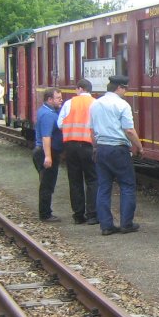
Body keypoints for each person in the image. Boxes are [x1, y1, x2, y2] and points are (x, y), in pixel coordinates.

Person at [90, 75, 143, 236]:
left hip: (101, 148)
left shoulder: (96, 104)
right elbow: (129, 130)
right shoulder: (122, 105)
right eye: (125, 88)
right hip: (118, 149)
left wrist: (95, 147)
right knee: (127, 185)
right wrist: (139, 147)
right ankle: (126, 223)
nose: (126, 91)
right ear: (119, 87)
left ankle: (106, 226)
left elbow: (91, 131)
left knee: (103, 187)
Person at [58, 78, 98, 225]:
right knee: (92, 180)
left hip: (71, 146)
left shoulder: (69, 103)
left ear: (79, 89)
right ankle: (93, 215)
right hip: (88, 146)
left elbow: (60, 123)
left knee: (75, 180)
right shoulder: (95, 103)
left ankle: (78, 215)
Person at [32, 88, 64, 222]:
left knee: (47, 183)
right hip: (46, 151)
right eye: (58, 98)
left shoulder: (46, 111)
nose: (61, 100)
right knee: (47, 184)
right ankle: (45, 214)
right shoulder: (48, 115)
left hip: (45, 151)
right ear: (50, 99)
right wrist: (48, 156)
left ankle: (46, 211)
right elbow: (46, 137)